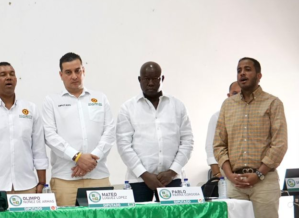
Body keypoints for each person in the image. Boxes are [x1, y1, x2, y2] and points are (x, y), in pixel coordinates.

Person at [214, 57, 288, 218]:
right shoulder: (228, 106)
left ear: (259, 75)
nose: (242, 73)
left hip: (263, 179)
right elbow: (219, 145)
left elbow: (279, 143)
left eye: (247, 69)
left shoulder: (272, 104)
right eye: (238, 70)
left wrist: (259, 173)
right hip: (235, 181)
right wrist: (229, 173)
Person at [0, 62, 48, 210]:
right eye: (3, 75)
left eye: (12, 74)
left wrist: (41, 182)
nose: (9, 78)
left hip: (27, 186)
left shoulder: (30, 109)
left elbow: (38, 148)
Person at [41, 53, 114, 206]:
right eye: (68, 72)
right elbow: (50, 135)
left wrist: (92, 158)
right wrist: (77, 157)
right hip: (65, 179)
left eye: (77, 71)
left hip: (98, 176)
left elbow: (109, 131)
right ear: (61, 75)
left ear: (84, 71)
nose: (74, 76)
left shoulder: (100, 98)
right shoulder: (51, 101)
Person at [116, 62, 194, 202]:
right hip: (139, 179)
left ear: (162, 79)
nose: (151, 83)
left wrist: (172, 172)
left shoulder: (177, 106)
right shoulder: (128, 108)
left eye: (155, 79)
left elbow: (187, 142)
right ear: (140, 80)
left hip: (172, 179)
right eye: (146, 79)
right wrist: (144, 174)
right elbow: (123, 146)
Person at [205, 81, 241, 179]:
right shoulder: (218, 117)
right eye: (234, 93)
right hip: (224, 171)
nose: (238, 96)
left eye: (241, 93)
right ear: (228, 95)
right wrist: (217, 174)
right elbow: (210, 147)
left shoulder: (254, 116)